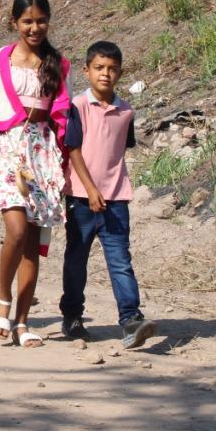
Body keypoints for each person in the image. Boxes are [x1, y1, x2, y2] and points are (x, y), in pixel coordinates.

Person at [0, 0, 70, 348]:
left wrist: (65, 163)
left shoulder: (57, 63)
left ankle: (22, 323)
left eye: (41, 21)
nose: (35, 28)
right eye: (27, 21)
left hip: (40, 152)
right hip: (5, 149)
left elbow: (62, 115)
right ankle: (2, 298)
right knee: (15, 228)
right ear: (14, 22)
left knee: (31, 239)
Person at [60, 41, 157, 348]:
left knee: (120, 260)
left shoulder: (126, 111)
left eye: (112, 69)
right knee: (77, 259)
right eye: (99, 68)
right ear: (86, 71)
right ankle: (72, 316)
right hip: (81, 198)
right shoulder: (77, 106)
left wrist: (107, 188)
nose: (106, 74)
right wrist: (90, 189)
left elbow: (119, 149)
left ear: (120, 73)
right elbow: (73, 149)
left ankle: (131, 320)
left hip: (115, 198)